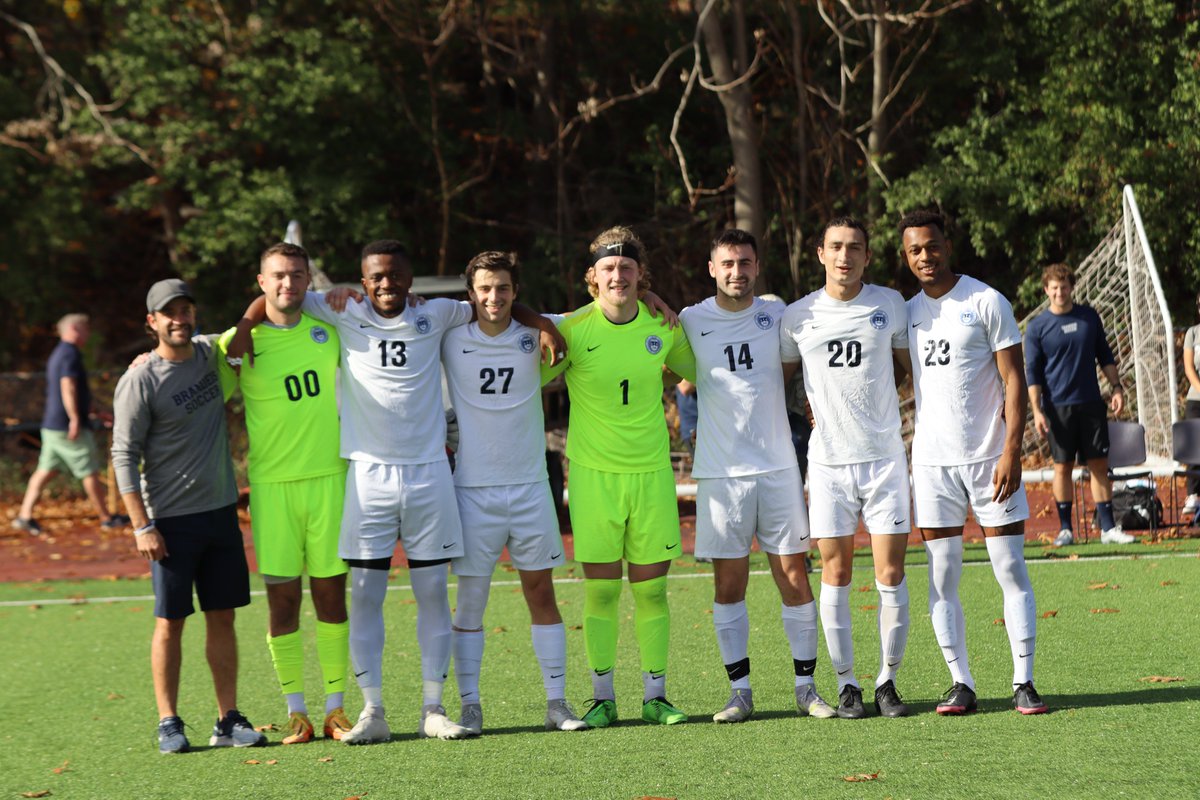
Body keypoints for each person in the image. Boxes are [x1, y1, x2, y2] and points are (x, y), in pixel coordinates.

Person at [229, 239, 564, 745]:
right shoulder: (341, 309)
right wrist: (244, 326)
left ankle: (433, 709)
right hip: (368, 478)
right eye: (377, 277)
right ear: (362, 282)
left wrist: (543, 323)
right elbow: (279, 297)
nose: (387, 284)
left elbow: (493, 303)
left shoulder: (439, 313)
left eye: (395, 275)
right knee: (366, 596)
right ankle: (374, 711)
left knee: (432, 594)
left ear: (411, 279)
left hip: (430, 475)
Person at [678, 229, 832, 724]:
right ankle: (739, 693)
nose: (736, 272)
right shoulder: (690, 319)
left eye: (744, 262)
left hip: (778, 467)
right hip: (722, 475)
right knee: (729, 584)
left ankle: (806, 689)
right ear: (711, 268)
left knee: (794, 577)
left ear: (757, 266)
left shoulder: (777, 313)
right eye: (727, 263)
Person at [900, 209, 1047, 715]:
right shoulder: (905, 313)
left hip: (989, 460)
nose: (925, 256)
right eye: (915, 250)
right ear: (906, 256)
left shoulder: (986, 300)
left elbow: (1013, 379)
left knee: (1009, 566)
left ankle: (1023, 681)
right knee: (941, 576)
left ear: (948, 245)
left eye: (932, 245)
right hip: (932, 464)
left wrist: (1011, 450)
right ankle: (960, 682)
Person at [111, 279, 267, 753]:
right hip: (169, 522)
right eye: (169, 313)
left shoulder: (208, 352)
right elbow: (122, 455)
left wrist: (340, 297)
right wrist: (141, 525)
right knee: (171, 621)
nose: (179, 319)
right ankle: (169, 722)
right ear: (152, 322)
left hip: (219, 513)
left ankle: (228, 720)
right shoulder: (140, 378)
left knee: (223, 617)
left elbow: (262, 304)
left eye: (185, 310)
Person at [552, 226, 695, 728]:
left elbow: (698, 370)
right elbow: (524, 355)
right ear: (592, 276)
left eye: (627, 267)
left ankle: (656, 696)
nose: (618, 275)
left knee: (652, 592)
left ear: (641, 274)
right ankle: (602, 698)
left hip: (651, 475)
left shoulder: (664, 327)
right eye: (608, 268)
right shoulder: (570, 329)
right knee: (602, 592)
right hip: (593, 478)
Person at [442, 251, 587, 734]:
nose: (494, 297)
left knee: (541, 592)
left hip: (529, 488)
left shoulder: (535, 333)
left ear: (515, 292)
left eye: (503, 288)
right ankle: (470, 706)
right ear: (470, 293)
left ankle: (557, 703)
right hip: (472, 491)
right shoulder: (450, 335)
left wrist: (542, 323)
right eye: (485, 288)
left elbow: (601, 309)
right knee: (470, 601)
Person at [216, 243, 352, 745]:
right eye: (277, 275)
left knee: (331, 596)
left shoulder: (330, 328)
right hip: (272, 490)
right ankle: (297, 711)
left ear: (308, 280)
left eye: (296, 275)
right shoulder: (236, 342)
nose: (287, 284)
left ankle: (336, 708)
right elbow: (194, 373)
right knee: (283, 600)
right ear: (261, 281)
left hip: (329, 480)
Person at [779, 217, 913, 720]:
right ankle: (847, 684)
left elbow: (910, 369)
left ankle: (887, 681)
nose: (844, 256)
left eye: (854, 247)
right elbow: (778, 381)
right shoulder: (797, 315)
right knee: (835, 573)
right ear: (820, 253)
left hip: (884, 460)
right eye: (835, 246)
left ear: (867, 256)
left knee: (890, 574)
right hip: (829, 465)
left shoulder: (890, 304)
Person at [1025, 263, 1136, 546]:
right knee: (1062, 467)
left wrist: (1117, 387)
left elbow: (1105, 355)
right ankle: (1066, 529)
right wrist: (1037, 410)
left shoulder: (1089, 317)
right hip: (1057, 409)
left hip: (1090, 404)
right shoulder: (1037, 327)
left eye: (1064, 287)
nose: (1059, 292)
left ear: (1071, 287)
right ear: (1046, 290)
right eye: (1054, 288)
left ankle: (1108, 528)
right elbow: (1033, 373)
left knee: (1099, 465)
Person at [12, 314, 129, 535]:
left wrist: (96, 412)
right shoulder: (69, 353)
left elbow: (73, 391)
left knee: (45, 471)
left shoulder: (60, 353)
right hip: (66, 427)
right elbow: (68, 386)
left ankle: (24, 516)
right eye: (85, 329)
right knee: (89, 471)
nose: (88, 334)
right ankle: (106, 518)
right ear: (74, 329)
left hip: (52, 426)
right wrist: (75, 418)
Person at [1181, 290, 1200, 519]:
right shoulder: (1192, 333)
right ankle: (1193, 495)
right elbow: (1188, 368)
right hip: (1196, 400)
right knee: (1196, 449)